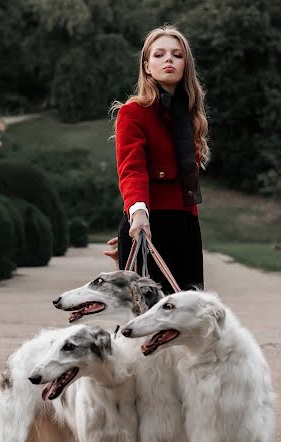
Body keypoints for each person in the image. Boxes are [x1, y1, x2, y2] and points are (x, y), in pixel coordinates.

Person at [104, 25, 209, 292]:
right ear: (147, 66)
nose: (169, 60)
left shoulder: (189, 116)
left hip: (186, 225)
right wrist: (137, 215)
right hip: (150, 220)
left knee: (189, 314)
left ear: (186, 64)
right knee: (146, 319)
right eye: (159, 55)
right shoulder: (134, 112)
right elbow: (132, 169)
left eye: (177, 55)